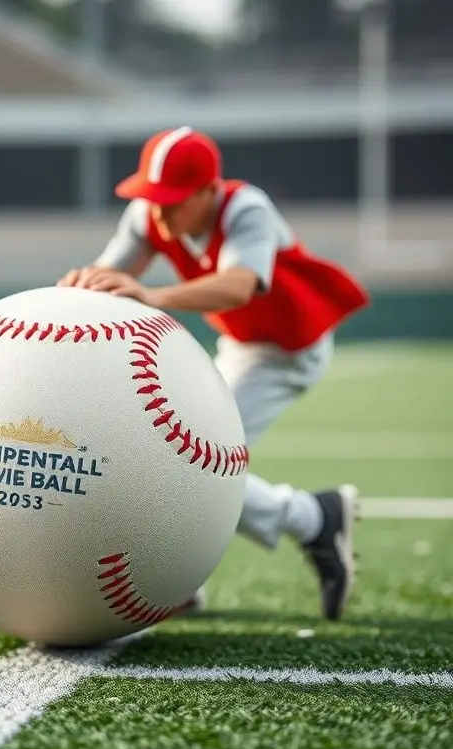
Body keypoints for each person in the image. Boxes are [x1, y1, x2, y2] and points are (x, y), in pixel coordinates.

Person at [57, 127, 370, 620]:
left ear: (210, 191)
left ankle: (312, 519)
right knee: (173, 458)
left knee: (188, 465)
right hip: (241, 346)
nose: (160, 213)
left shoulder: (247, 208)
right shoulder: (148, 215)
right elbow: (108, 278)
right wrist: (74, 297)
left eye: (174, 201)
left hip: (289, 351)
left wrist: (152, 296)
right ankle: (202, 570)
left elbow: (239, 285)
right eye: (153, 198)